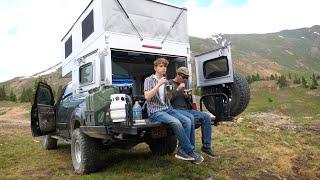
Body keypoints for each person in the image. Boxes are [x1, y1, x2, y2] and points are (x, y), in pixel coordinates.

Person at [144, 58, 203, 164]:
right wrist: (158, 85)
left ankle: (181, 151)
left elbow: (169, 97)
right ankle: (190, 151)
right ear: (155, 68)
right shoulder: (149, 80)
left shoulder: (166, 80)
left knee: (188, 121)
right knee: (176, 123)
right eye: (161, 66)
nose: (164, 68)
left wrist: (171, 90)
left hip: (167, 109)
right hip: (155, 112)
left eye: (165, 66)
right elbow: (147, 96)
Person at [169, 67, 217, 159]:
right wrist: (178, 89)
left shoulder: (184, 85)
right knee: (190, 118)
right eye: (184, 77)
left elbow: (189, 103)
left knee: (206, 117)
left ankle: (206, 147)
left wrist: (188, 97)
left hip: (186, 110)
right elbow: (168, 99)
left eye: (187, 77)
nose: (185, 79)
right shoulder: (169, 83)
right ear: (178, 74)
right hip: (175, 110)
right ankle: (189, 150)